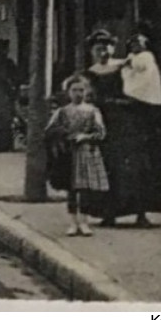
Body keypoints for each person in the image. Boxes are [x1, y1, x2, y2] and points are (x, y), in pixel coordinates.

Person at [80, 28, 161, 228]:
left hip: (128, 121)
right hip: (103, 122)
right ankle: (108, 214)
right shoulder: (90, 73)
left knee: (137, 165)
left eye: (107, 48)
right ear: (91, 51)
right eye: (98, 49)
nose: (103, 53)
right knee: (106, 166)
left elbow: (143, 84)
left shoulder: (125, 67)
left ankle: (141, 214)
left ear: (113, 48)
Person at [45, 74, 110, 237]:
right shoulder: (62, 112)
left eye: (81, 90)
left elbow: (101, 132)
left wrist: (86, 137)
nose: (78, 94)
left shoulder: (92, 111)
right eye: (74, 90)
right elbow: (49, 130)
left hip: (87, 151)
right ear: (68, 92)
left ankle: (84, 222)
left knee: (85, 189)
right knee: (72, 189)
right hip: (68, 153)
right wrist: (65, 135)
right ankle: (73, 222)